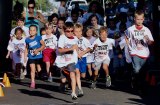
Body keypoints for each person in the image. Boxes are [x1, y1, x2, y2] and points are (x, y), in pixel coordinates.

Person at [125, 10, 154, 89]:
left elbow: (151, 42)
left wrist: (147, 40)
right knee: (137, 69)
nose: (139, 21)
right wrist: (128, 46)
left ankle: (137, 82)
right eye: (138, 19)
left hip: (144, 53)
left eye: (141, 19)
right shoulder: (130, 29)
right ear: (134, 19)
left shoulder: (146, 30)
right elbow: (126, 36)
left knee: (142, 71)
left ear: (143, 19)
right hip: (135, 52)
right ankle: (136, 81)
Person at [54, 22, 78, 100]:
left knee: (72, 75)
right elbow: (60, 50)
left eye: (72, 31)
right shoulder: (62, 38)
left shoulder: (75, 38)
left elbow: (76, 47)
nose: (70, 33)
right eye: (68, 31)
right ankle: (62, 84)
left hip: (71, 60)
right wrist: (70, 49)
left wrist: (79, 54)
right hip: (62, 61)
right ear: (64, 31)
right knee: (63, 80)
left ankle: (73, 93)